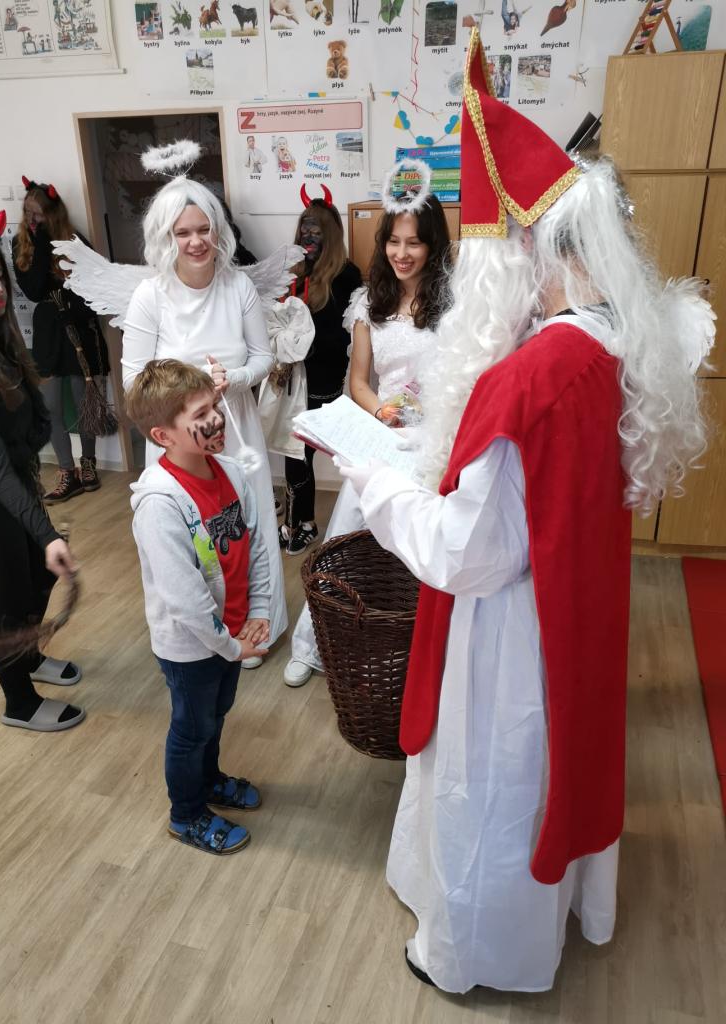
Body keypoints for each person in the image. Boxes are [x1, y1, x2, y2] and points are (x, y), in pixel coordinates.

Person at [336, 28, 714, 993]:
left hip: (510, 634)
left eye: (489, 245)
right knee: (548, 768)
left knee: (496, 783)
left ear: (526, 250)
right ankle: (565, 913)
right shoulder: (609, 341)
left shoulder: (533, 373)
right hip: (571, 613)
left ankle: (468, 955)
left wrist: (376, 483)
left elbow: (470, 555)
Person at [283, 187, 451, 687]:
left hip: (435, 442)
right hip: (384, 435)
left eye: (414, 242)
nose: (402, 253)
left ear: (433, 244)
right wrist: (382, 410)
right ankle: (314, 644)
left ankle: (418, 652)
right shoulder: (367, 302)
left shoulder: (454, 304)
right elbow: (358, 382)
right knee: (348, 538)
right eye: (394, 241)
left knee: (421, 549)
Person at [122, 175, 288, 659]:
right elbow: (134, 380)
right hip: (179, 437)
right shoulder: (150, 296)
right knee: (192, 534)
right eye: (182, 233)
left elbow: (263, 358)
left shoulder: (238, 286)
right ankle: (206, 636)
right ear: (165, 237)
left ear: (218, 230)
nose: (195, 242)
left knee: (248, 526)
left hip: (233, 424)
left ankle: (257, 625)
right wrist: (184, 392)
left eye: (203, 229)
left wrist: (232, 379)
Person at [126, 359, 270, 854]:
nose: (217, 419)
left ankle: (208, 781)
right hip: (191, 647)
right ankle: (186, 814)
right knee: (193, 727)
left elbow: (254, 546)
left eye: (215, 405)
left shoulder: (229, 471)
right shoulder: (160, 505)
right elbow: (184, 599)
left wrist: (259, 611)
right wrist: (229, 645)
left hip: (229, 637)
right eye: (201, 413)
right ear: (163, 436)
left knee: (217, 713)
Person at [0, 216, 86, 732]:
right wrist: (47, 533)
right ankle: (19, 702)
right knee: (10, 595)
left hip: (13, 480)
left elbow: (20, 432)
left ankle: (29, 657)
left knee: (38, 573)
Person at [12, 178, 110, 504]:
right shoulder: (23, 246)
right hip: (48, 333)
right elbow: (34, 290)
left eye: (38, 213)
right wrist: (42, 245)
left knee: (85, 403)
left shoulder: (76, 242)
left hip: (78, 328)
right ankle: (67, 471)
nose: (32, 219)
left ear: (53, 213)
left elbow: (95, 288)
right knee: (50, 406)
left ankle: (88, 465)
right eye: (28, 212)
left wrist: (74, 310)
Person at [280, 191, 362, 555]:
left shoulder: (346, 275)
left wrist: (301, 340)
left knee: (301, 452)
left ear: (330, 233)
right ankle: (298, 522)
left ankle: (307, 523)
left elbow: (342, 336)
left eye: (315, 230)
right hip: (291, 378)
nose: (307, 236)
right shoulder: (296, 271)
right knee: (293, 454)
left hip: (322, 380)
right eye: (304, 229)